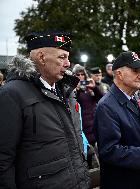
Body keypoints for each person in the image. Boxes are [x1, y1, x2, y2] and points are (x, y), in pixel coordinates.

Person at [0, 32, 90, 188]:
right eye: (62, 57)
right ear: (41, 57)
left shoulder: (67, 90)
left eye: (68, 57)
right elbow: (3, 158)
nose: (68, 63)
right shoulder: (12, 94)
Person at [93, 51, 140, 189]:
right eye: (135, 70)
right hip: (123, 182)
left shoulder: (134, 97)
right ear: (119, 74)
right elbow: (109, 151)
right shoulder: (106, 106)